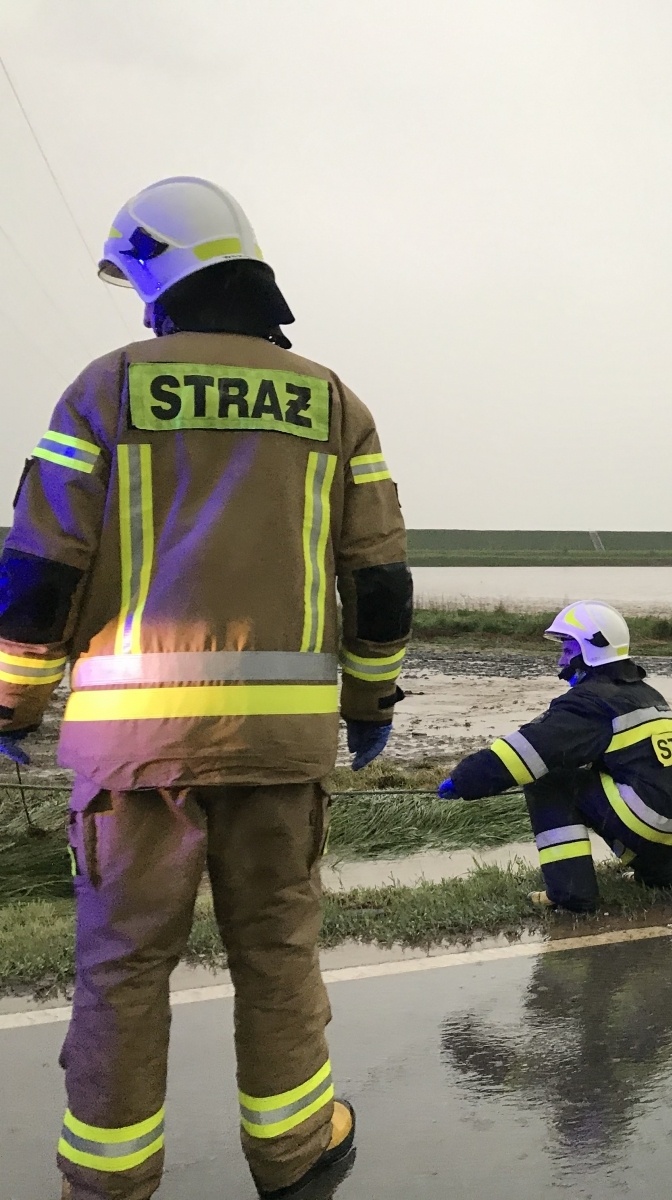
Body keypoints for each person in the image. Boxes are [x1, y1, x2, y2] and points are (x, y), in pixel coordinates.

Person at [0, 176, 410, 1200]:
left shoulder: (104, 390)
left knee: (123, 971)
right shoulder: (333, 404)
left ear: (159, 276)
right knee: (277, 950)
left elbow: (38, 574)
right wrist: (367, 710)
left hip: (130, 759)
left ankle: (107, 1183)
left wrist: (11, 706)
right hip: (281, 754)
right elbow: (380, 583)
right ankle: (295, 1154)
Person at [439, 601, 672, 913]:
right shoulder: (645, 694)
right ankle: (661, 873)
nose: (562, 657)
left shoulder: (591, 702)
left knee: (549, 779)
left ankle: (570, 893)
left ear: (592, 649)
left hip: (648, 814)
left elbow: (528, 750)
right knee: (611, 783)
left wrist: (464, 779)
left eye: (568, 648)